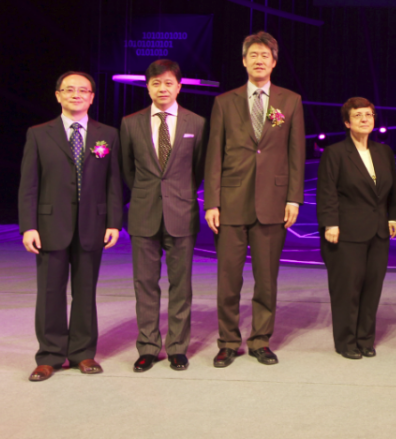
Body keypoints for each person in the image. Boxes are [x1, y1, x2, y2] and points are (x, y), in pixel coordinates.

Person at [204, 31, 305, 368]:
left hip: (273, 202)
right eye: (254, 55)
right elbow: (214, 155)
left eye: (266, 55)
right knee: (228, 279)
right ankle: (228, 342)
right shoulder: (224, 101)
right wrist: (212, 202)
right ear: (244, 60)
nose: (259, 60)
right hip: (231, 201)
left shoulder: (290, 100)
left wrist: (294, 198)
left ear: (274, 62)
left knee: (266, 278)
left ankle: (261, 340)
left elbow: (296, 153)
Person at [18, 71, 122, 382]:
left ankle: (82, 353)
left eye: (83, 90)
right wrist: (28, 226)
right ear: (58, 95)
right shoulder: (39, 134)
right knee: (50, 293)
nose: (76, 94)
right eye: (69, 89)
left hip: (94, 223)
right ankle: (49, 355)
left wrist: (114, 222)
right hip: (50, 225)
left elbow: (114, 183)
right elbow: (29, 185)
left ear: (92, 97)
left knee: (85, 291)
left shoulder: (109, 135)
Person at [120, 59, 207, 372]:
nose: (162, 89)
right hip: (143, 213)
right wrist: (147, 194)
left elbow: (198, 170)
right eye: (156, 83)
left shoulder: (196, 123)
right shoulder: (130, 123)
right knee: (145, 284)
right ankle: (147, 347)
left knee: (181, 285)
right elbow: (127, 170)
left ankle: (177, 348)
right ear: (147, 87)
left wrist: (178, 193)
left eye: (168, 83)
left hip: (181, 212)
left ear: (179, 87)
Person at [316, 98, 396, 359]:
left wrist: (393, 217)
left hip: (378, 231)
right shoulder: (335, 153)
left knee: (372, 287)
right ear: (347, 122)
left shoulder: (383, 151)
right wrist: (330, 223)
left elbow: (392, 189)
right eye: (358, 116)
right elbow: (327, 191)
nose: (365, 119)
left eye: (369, 114)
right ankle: (346, 342)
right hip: (346, 232)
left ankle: (365, 339)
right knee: (347, 289)